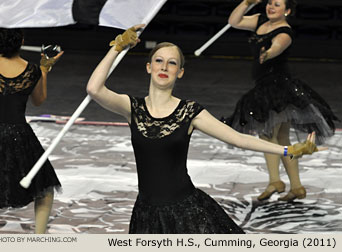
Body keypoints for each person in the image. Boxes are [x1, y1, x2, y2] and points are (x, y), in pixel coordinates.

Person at [86, 24, 322, 234]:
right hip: (146, 214)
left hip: (186, 211)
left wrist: (286, 149)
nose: (164, 66)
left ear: (180, 72)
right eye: (159, 60)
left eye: (172, 62)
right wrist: (116, 47)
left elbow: (237, 138)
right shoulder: (132, 108)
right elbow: (94, 89)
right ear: (148, 67)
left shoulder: (190, 112)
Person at [221, 0, 339, 202]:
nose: (271, 7)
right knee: (282, 139)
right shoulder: (260, 21)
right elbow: (234, 21)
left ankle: (275, 181)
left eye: (277, 4)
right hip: (264, 87)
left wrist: (268, 53)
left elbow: (278, 46)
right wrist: (247, 2)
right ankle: (296, 186)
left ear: (288, 10)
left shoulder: (285, 31)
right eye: (270, 3)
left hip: (277, 90)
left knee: (267, 136)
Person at [0, 28, 63, 233]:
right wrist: (44, 70)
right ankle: (39, 238)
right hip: (18, 136)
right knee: (43, 189)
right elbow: (39, 101)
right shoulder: (31, 70)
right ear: (22, 41)